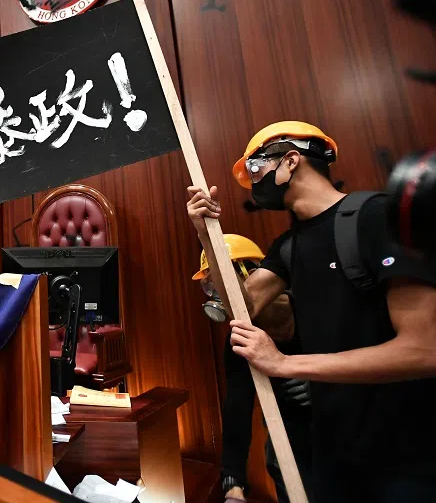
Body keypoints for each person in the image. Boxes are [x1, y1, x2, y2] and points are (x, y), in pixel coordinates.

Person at [185, 121, 436, 502]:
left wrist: (285, 364)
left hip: (404, 455)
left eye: (256, 169)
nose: (254, 184)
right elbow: (245, 305)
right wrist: (207, 234)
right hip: (333, 454)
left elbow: (425, 350)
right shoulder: (288, 246)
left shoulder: (374, 218)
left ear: (290, 161)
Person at [192, 234, 312, 503]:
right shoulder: (242, 339)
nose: (218, 295)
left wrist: (321, 385)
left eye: (221, 283)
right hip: (291, 434)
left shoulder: (315, 309)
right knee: (280, 462)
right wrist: (232, 484)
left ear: (255, 274)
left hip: (347, 426)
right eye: (211, 287)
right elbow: (237, 410)